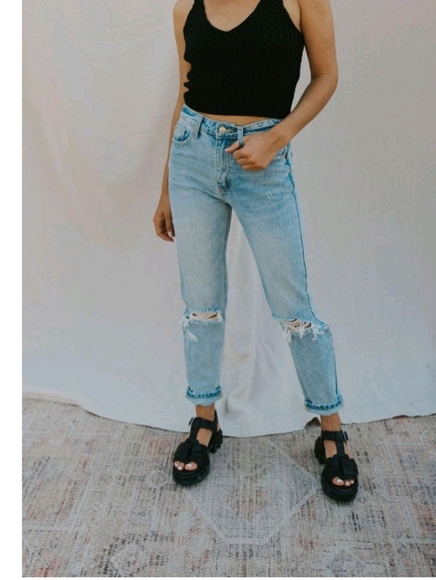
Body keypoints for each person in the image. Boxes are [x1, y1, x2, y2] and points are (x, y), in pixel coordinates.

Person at [153, 0, 358, 502]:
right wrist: (166, 188)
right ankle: (205, 420)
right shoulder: (186, 8)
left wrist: (277, 137)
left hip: (263, 165)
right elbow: (185, 94)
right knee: (201, 304)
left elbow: (326, 76)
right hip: (192, 158)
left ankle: (332, 431)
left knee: (293, 306)